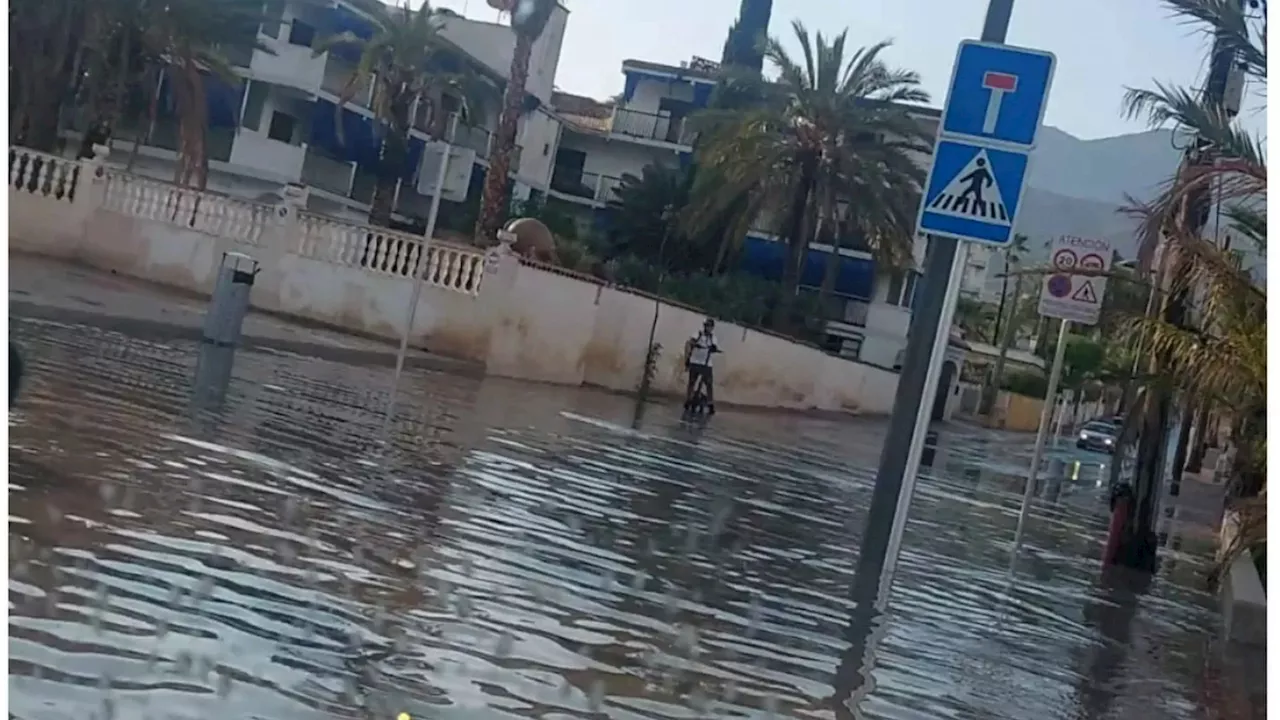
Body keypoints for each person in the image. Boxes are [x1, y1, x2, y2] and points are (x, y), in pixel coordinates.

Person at [684, 318, 719, 415]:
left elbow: (714, 346)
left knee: (709, 383)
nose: (707, 328)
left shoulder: (713, 338)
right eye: (706, 326)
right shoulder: (698, 334)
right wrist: (695, 345)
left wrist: (713, 348)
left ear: (712, 328)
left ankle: (710, 403)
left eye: (709, 326)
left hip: (707, 363)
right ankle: (688, 399)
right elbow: (691, 341)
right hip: (695, 361)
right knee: (692, 382)